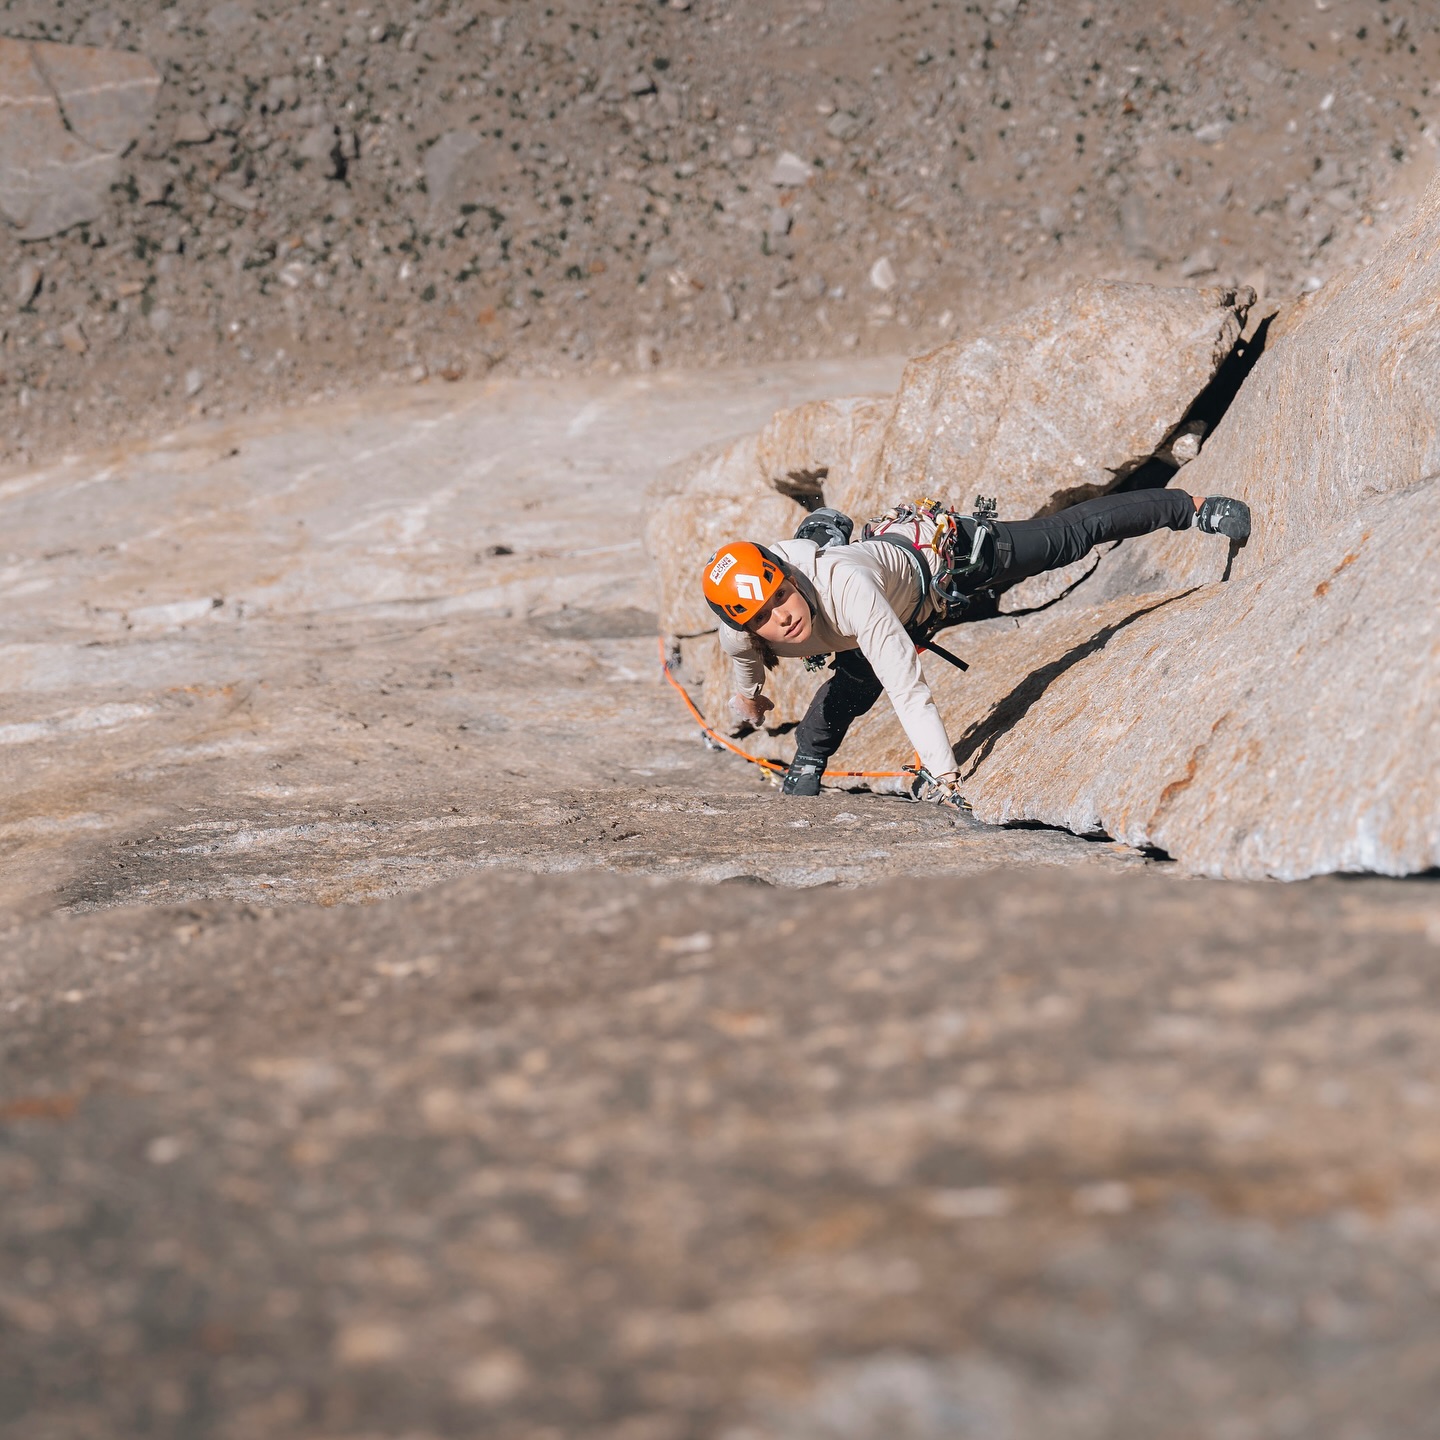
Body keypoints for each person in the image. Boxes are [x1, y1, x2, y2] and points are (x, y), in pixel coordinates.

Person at [701, 487, 1251, 803]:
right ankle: (806, 765)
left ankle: (1190, 506)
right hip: (883, 619)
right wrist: (749, 700)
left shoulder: (847, 587)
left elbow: (908, 690)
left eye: (780, 596)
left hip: (946, 562)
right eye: (763, 617)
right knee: (849, 690)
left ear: (790, 577)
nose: (782, 618)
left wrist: (944, 775)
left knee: (1064, 539)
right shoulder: (739, 629)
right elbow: (745, 662)